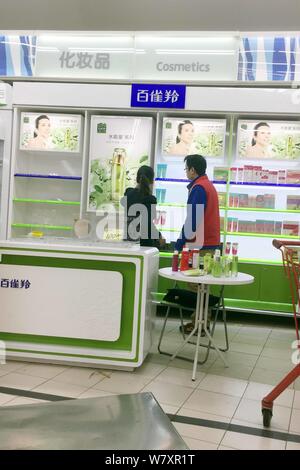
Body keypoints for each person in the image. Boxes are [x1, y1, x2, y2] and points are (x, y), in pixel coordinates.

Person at [175, 154, 221, 334]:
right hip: (210, 243)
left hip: (201, 246)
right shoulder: (208, 186)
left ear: (193, 170)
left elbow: (192, 219)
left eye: (186, 169)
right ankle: (201, 323)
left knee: (197, 286)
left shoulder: (199, 188)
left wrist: (179, 243)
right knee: (203, 286)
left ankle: (199, 325)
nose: (186, 172)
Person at [121, 165, 166, 248]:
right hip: (144, 244)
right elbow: (147, 225)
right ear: (152, 181)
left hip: (129, 241)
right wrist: (159, 236)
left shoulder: (128, 194)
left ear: (137, 178)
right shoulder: (150, 199)